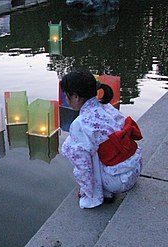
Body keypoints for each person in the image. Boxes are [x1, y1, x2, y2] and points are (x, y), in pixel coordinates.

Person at [60, 70, 143, 209]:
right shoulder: (106, 107)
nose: (66, 100)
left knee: (78, 150)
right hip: (136, 168)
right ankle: (106, 187)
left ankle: (103, 193)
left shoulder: (81, 123)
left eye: (67, 96)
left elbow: (83, 166)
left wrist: (87, 191)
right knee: (90, 143)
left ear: (75, 97)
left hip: (119, 182)